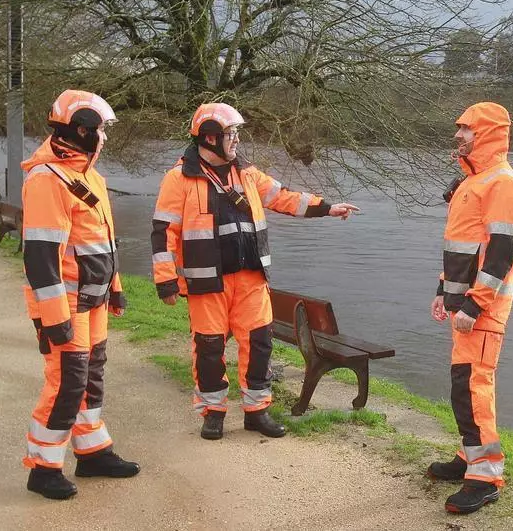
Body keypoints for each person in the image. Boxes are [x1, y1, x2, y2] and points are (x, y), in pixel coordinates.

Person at [151, 103, 359, 440]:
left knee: (259, 345)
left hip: (250, 278)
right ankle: (213, 412)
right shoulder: (180, 179)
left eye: (236, 134)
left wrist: (327, 208)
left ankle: (256, 411)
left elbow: (284, 198)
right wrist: (165, 280)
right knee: (209, 348)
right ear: (210, 137)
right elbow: (164, 233)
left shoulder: (246, 173)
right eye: (230, 134)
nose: (236, 140)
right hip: (207, 282)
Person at [21, 89, 140, 500]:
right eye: (101, 129)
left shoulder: (91, 177)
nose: (104, 137)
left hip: (95, 298)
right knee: (66, 383)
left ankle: (91, 453)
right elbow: (40, 257)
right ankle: (43, 467)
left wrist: (117, 288)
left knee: (91, 377)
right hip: (67, 304)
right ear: (81, 129)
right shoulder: (46, 180)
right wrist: (54, 318)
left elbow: (103, 242)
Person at [427, 102, 513, 515]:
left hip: (483, 310)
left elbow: (501, 253)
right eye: (459, 128)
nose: (459, 134)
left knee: (473, 388)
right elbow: (463, 246)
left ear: (487, 133)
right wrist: (442, 290)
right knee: (463, 386)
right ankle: (469, 456)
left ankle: (485, 477)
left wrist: (474, 303)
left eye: (466, 129)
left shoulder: (501, 183)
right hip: (465, 305)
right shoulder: (475, 179)